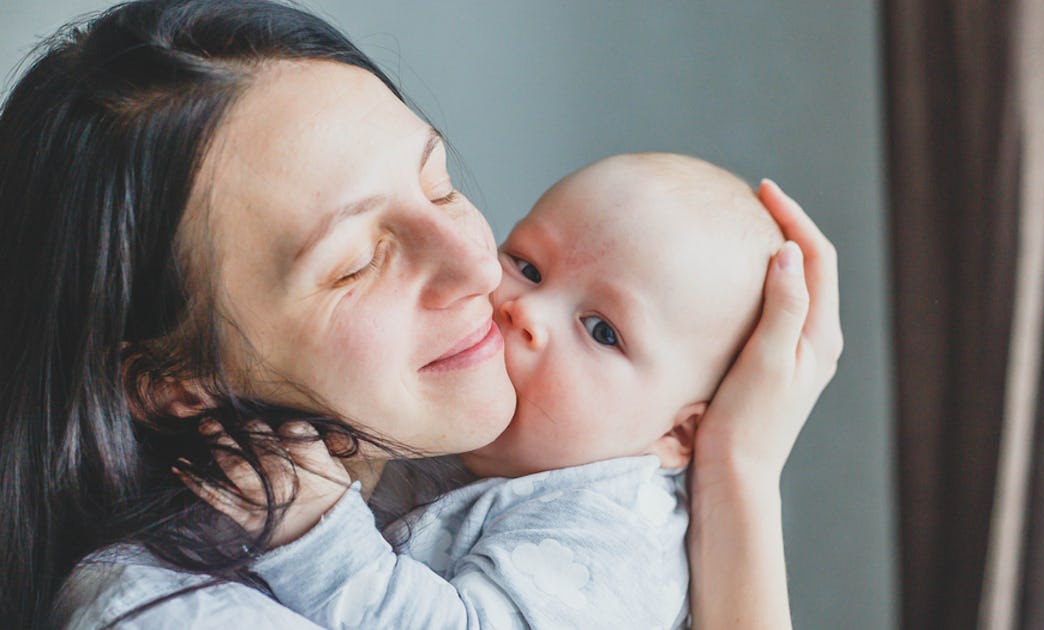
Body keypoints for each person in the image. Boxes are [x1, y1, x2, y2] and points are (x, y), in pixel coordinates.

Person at [0, 1, 842, 628]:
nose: (484, 271)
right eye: (358, 260)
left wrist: (738, 470)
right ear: (172, 382)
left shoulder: (597, 528)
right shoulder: (153, 608)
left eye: (440, 184)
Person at [190, 152, 786, 629]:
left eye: (603, 331)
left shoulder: (607, 537)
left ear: (676, 433)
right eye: (527, 264)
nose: (524, 310)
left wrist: (313, 531)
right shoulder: (477, 431)